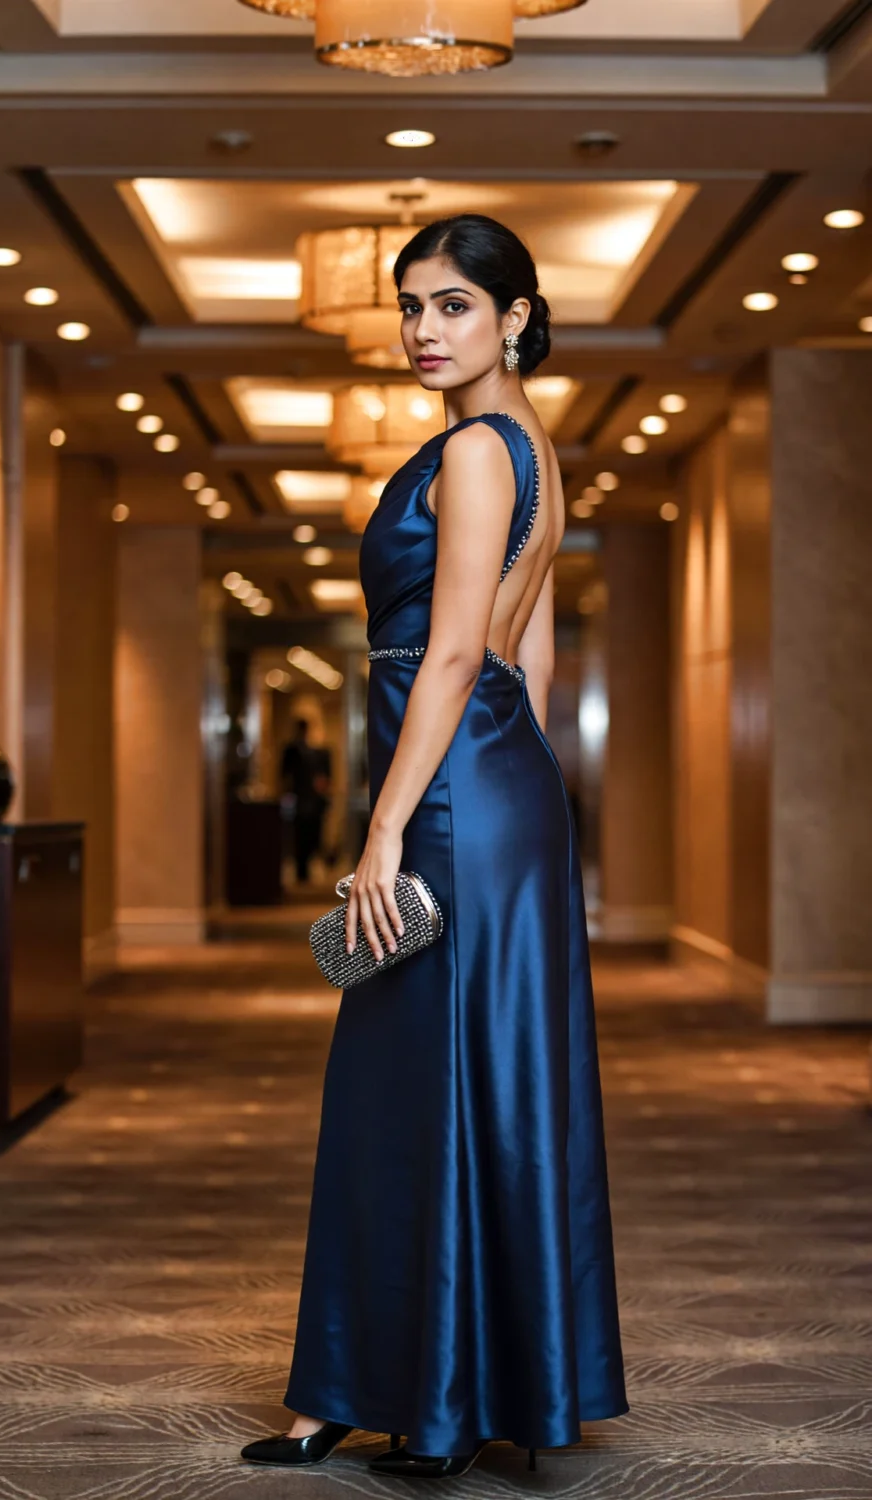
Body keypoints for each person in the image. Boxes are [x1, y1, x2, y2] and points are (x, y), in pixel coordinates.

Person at [242, 215, 628, 1478]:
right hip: (503, 781)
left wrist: (387, 826)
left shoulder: (473, 449)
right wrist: (526, 792)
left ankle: (403, 1393)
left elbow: (459, 653)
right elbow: (535, 653)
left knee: (412, 1081)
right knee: (450, 1080)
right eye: (412, 306)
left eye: (454, 305)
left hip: (455, 786)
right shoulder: (534, 447)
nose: (423, 330)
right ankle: (406, 1388)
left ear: (514, 316)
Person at [280, 718, 331, 884]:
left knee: (312, 835)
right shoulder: (292, 750)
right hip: (299, 799)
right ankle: (301, 870)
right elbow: (284, 776)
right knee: (299, 835)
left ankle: (307, 869)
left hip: (313, 801)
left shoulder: (318, 752)